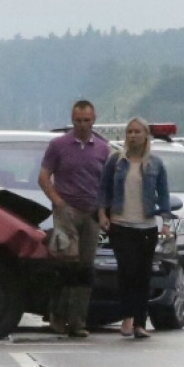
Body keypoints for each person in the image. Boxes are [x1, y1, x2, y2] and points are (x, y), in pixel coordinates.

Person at [38, 100, 112, 337]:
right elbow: (43, 177)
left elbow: (106, 185)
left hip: (91, 214)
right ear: (72, 119)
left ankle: (78, 321)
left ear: (94, 119)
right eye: (78, 120)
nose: (82, 125)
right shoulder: (58, 146)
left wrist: (103, 213)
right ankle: (57, 316)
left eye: (87, 120)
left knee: (85, 269)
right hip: (66, 213)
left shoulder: (102, 148)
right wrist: (59, 203)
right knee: (66, 265)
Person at [97, 117, 172, 339]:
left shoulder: (156, 164)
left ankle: (140, 322)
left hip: (147, 226)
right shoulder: (115, 161)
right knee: (127, 271)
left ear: (146, 135)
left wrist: (165, 223)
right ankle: (127, 317)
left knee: (142, 274)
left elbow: (164, 194)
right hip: (121, 224)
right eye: (129, 131)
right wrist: (103, 214)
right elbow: (104, 190)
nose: (132, 135)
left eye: (137, 132)